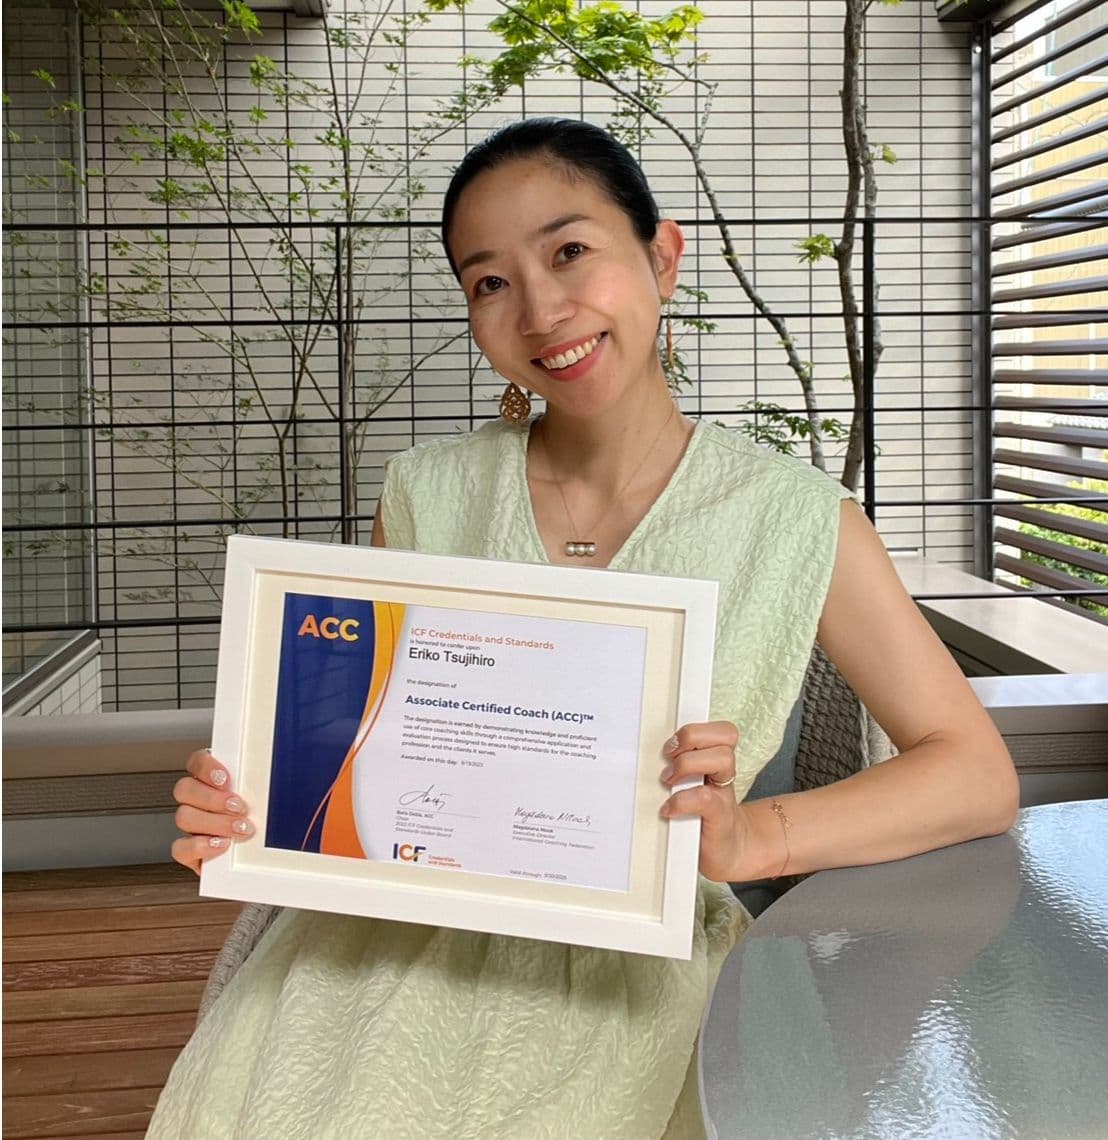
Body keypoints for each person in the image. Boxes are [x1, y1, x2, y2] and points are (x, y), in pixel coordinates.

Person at [153, 118, 1018, 1139]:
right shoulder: (426, 493)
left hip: (634, 967)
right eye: (489, 281)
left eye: (569, 250)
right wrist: (258, 798)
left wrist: (752, 838)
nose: (539, 309)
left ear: (661, 256)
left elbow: (973, 774)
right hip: (393, 946)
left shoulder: (794, 518)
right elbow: (364, 744)